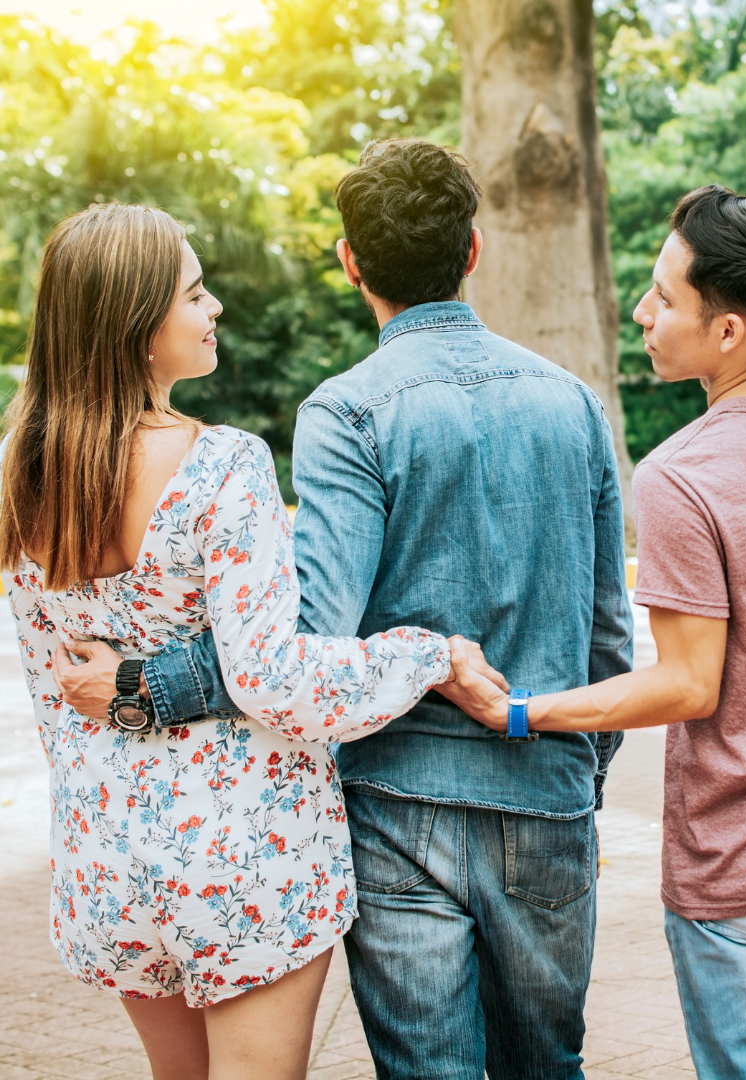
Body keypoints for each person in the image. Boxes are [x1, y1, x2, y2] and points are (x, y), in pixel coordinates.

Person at [57, 140, 634, 1080]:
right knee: (548, 1067)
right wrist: (578, 773)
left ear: (350, 261)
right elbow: (610, 629)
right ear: (474, 250)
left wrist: (146, 683)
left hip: (397, 805)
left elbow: (305, 629)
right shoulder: (572, 404)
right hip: (546, 792)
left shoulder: (347, 411)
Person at [0, 202, 497, 1080]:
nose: (215, 307)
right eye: (195, 294)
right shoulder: (220, 465)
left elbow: (57, 688)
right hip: (241, 855)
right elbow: (275, 679)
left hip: (108, 854)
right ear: (136, 326)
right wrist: (430, 654)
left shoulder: (17, 475)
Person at [437, 185, 746, 1080]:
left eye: (664, 297)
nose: (642, 310)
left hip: (743, 865)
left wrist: (519, 713)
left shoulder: (681, 474)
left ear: (729, 330)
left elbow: (688, 685)